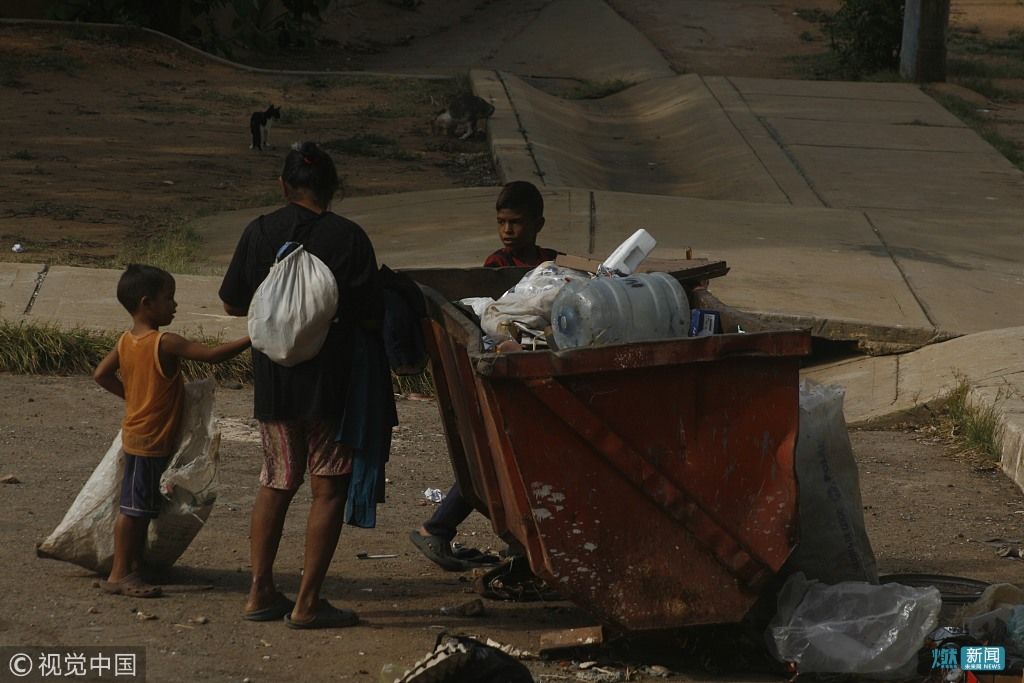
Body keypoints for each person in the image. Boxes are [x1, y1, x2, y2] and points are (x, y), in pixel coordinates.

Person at [219, 141, 396, 629]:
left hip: (274, 382)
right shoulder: (349, 237)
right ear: (333, 189)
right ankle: (307, 602)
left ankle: (259, 592)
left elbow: (234, 303)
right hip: (332, 385)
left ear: (283, 186)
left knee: (276, 480)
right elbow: (369, 313)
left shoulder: (259, 231)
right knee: (328, 487)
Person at [410, 180, 558, 571]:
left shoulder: (549, 265)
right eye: (502, 223)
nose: (508, 231)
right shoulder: (494, 268)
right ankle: (440, 528)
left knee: (505, 459)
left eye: (517, 223)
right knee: (495, 458)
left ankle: (512, 548)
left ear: (538, 224)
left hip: (528, 372)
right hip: (499, 374)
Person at [93, 264, 251, 598]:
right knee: (134, 511)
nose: (175, 305)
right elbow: (211, 356)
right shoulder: (163, 342)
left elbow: (101, 375)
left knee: (141, 506)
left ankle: (133, 566)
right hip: (149, 440)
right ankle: (119, 574)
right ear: (146, 303)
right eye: (169, 298)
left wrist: (133, 398)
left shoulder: (126, 341)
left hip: (139, 434)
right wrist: (253, 338)